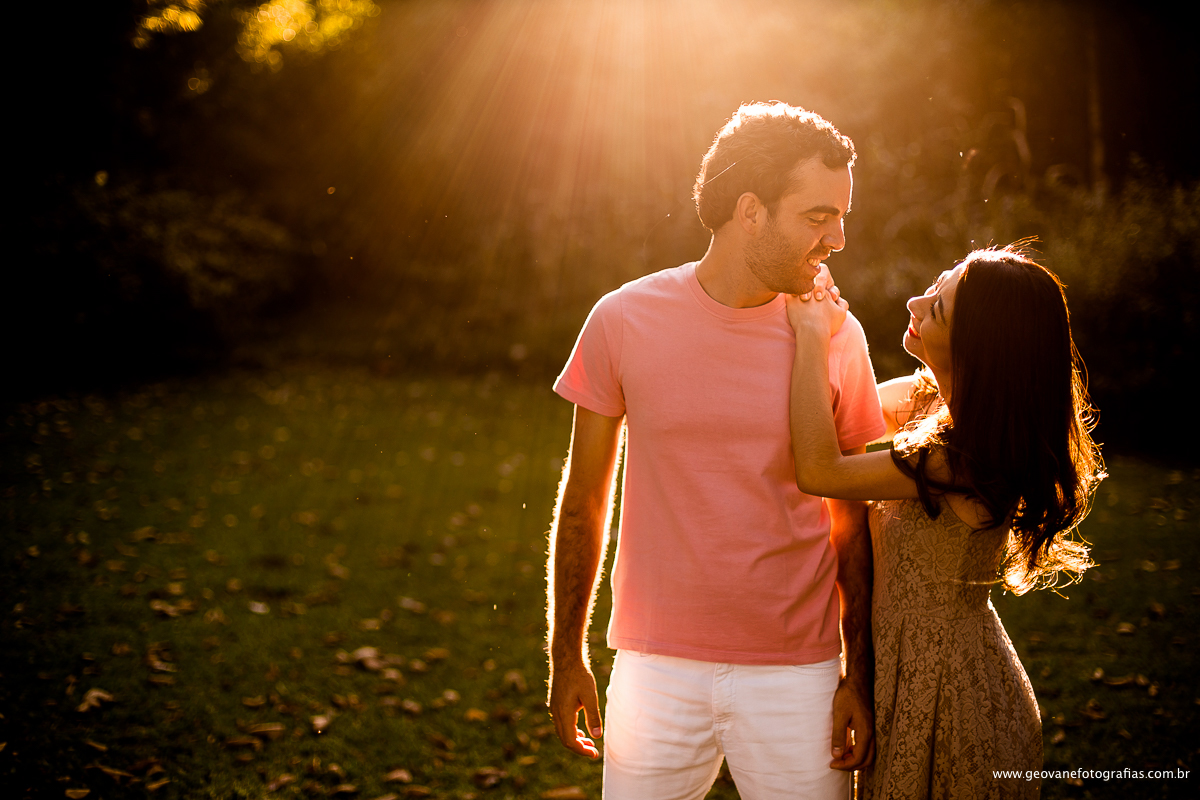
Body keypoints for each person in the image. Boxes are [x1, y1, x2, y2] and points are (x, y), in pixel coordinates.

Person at [546, 101, 885, 799]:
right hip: (653, 667)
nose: (839, 237)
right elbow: (585, 498)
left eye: (841, 216)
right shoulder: (622, 320)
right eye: (818, 216)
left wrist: (860, 672)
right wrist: (566, 652)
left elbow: (855, 517)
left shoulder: (835, 336)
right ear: (750, 210)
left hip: (800, 673)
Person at [785, 245, 1104, 799]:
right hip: (909, 667)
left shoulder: (964, 458)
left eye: (937, 309)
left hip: (947, 692)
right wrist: (827, 318)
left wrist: (813, 332)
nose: (915, 300)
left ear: (978, 351)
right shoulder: (932, 403)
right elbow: (843, 411)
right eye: (933, 288)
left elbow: (819, 468)